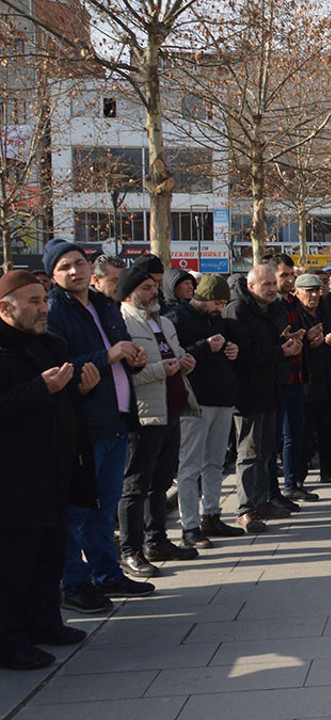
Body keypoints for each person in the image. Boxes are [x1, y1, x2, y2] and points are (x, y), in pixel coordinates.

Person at [44, 239, 153, 613]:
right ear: (53, 276)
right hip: (83, 422)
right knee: (76, 510)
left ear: (91, 267)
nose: (74, 271)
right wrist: (106, 356)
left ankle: (108, 573)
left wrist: (133, 356)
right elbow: (60, 363)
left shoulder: (105, 305)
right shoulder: (55, 310)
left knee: (104, 506)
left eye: (78, 263)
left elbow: (121, 350)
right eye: (64, 267)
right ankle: (74, 582)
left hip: (118, 417)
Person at [0, 270, 99, 670]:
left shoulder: (50, 344)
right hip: (14, 479)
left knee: (49, 555)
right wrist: (41, 389)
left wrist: (81, 390)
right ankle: (9, 641)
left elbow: (60, 402)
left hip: (55, 471)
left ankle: (45, 623)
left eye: (44, 301)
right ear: (6, 308)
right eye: (35, 303)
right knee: (14, 565)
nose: (44, 310)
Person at [116, 265, 202, 577]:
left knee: (161, 482)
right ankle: (131, 550)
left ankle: (157, 540)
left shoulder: (163, 321)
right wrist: (160, 370)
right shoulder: (122, 322)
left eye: (154, 287)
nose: (154, 293)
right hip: (144, 414)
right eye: (146, 288)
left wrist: (185, 364)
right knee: (136, 485)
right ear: (129, 293)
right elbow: (127, 375)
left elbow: (175, 356)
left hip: (173, 409)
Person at [166, 274, 245, 548]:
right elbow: (176, 356)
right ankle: (189, 526)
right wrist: (204, 347)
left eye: (224, 303)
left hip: (222, 397)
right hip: (195, 402)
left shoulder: (217, 319)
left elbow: (222, 349)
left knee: (215, 462)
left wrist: (231, 349)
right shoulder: (177, 318)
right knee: (189, 467)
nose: (220, 308)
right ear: (202, 297)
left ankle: (212, 514)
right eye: (217, 302)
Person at [224, 265, 302, 532]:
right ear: (251, 286)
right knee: (248, 453)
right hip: (247, 393)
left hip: (272, 389)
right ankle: (245, 509)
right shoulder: (237, 310)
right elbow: (244, 353)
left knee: (267, 450)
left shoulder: (273, 309)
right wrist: (280, 350)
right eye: (266, 284)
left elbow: (273, 344)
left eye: (273, 283)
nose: (271, 289)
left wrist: (289, 343)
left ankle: (261, 502)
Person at [293, 274, 331, 486]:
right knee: (304, 434)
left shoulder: (327, 311)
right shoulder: (294, 313)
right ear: (297, 292)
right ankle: (298, 478)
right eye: (309, 291)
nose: (314, 295)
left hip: (330, 380)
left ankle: (329, 470)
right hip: (306, 382)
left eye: (317, 290)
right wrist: (309, 342)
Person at [272, 255, 315, 503]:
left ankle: (293, 483)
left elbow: (296, 336)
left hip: (297, 377)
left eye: (291, 275)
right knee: (275, 439)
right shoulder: (272, 305)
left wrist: (307, 336)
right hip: (279, 379)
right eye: (283, 275)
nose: (289, 279)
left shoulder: (292, 303)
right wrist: (284, 340)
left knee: (295, 435)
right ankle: (274, 492)